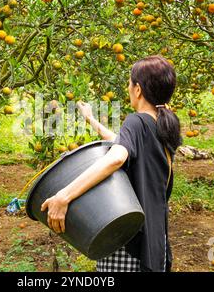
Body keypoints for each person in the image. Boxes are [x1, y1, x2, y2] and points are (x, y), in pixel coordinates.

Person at [40, 55, 182, 272]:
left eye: (129, 83)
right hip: (155, 240)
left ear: (138, 89)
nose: (128, 88)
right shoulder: (162, 124)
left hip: (128, 236)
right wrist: (91, 119)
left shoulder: (136, 120)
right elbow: (121, 142)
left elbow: (116, 157)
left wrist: (64, 195)